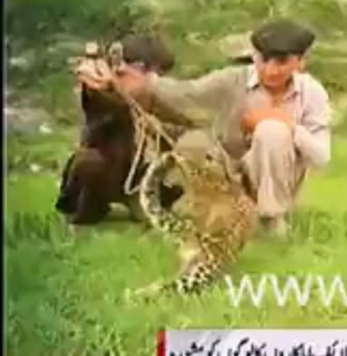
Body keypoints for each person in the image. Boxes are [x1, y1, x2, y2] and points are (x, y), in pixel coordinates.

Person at [77, 19, 332, 236]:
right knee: (194, 143)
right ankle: (213, 213)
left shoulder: (312, 93)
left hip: (281, 181)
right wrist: (133, 83)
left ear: (301, 62)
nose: (270, 70)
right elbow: (186, 94)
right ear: (254, 55)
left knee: (272, 130)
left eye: (281, 62)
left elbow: (321, 156)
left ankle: (272, 219)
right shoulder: (232, 80)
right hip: (233, 174)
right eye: (263, 59)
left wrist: (286, 125)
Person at [56, 34, 182, 225]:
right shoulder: (109, 95)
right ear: (139, 68)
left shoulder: (164, 96)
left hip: (144, 176)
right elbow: (102, 101)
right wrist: (103, 84)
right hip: (111, 171)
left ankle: (143, 203)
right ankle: (87, 206)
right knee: (88, 164)